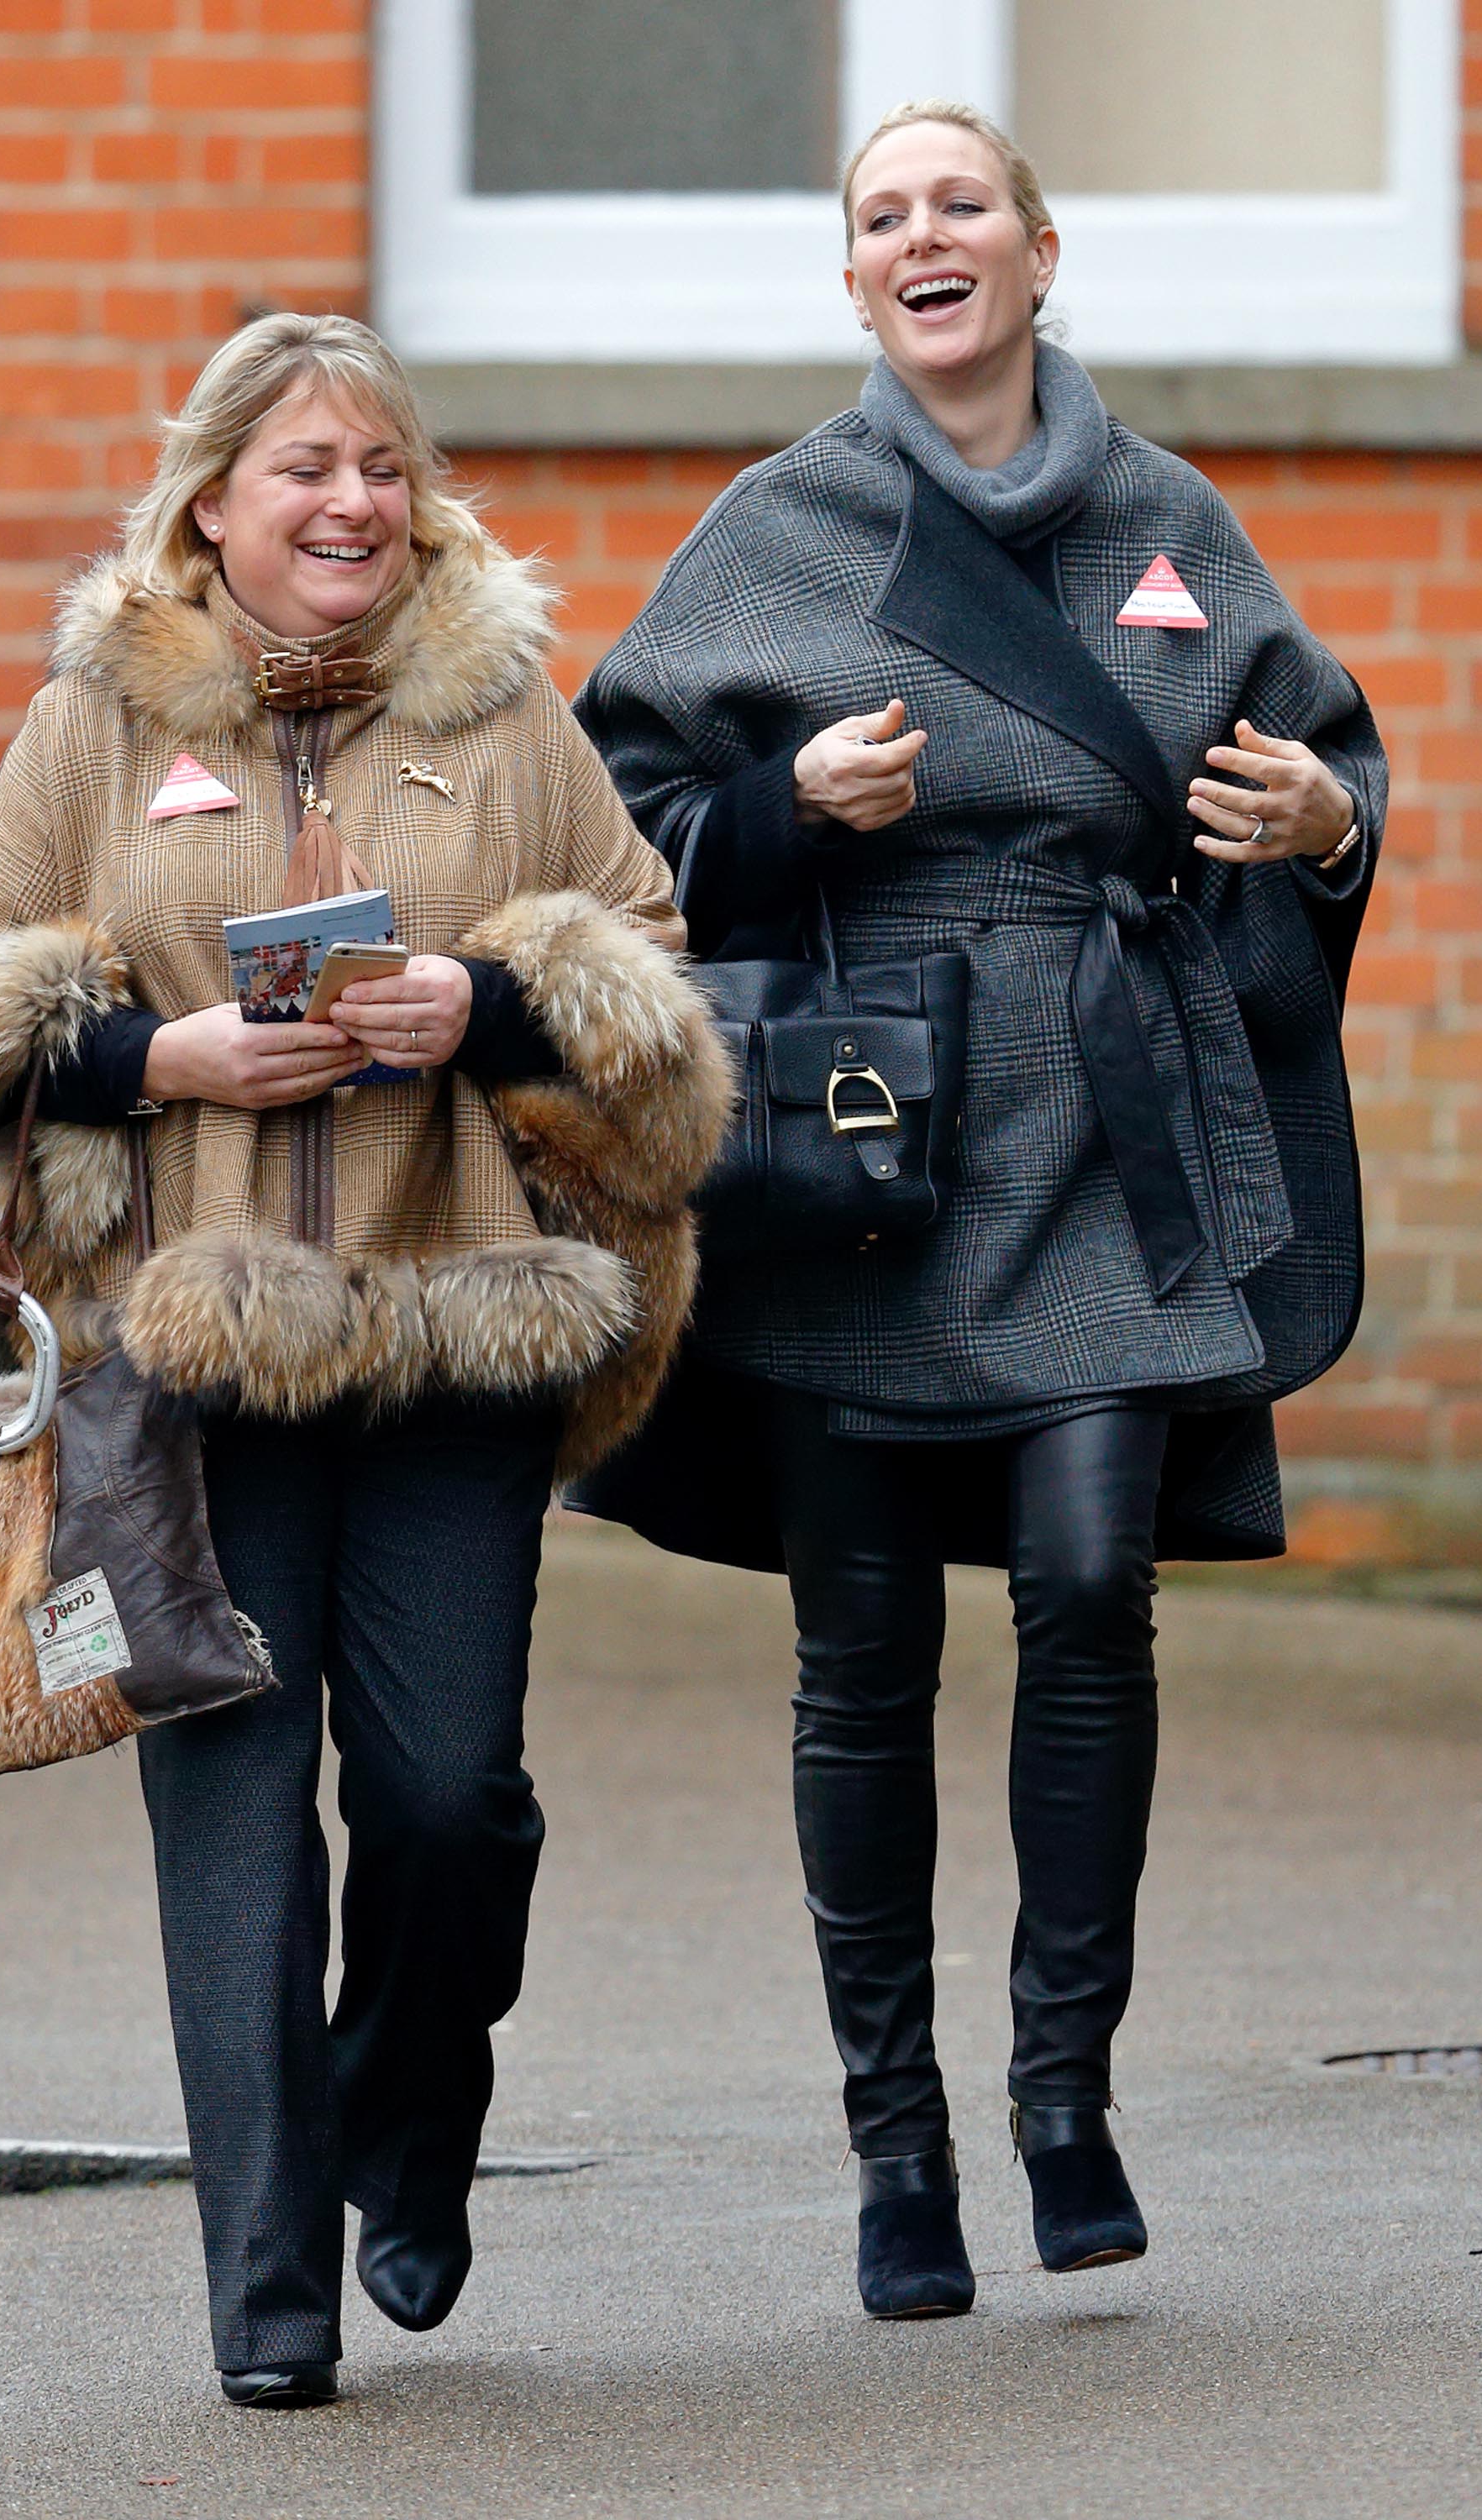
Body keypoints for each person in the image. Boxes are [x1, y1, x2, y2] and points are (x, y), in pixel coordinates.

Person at [0, 312, 728, 2404]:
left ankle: (409, 2129)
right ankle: (270, 2305)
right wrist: (159, 1050)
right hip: (190, 1350)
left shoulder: (512, 709)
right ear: (211, 506)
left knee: (446, 1806)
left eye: (381, 470)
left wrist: (490, 1011)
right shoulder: (93, 718)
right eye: (304, 470)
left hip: (464, 1324)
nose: (352, 504)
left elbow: (661, 1000)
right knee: (239, 1832)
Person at [575, 100, 1384, 2319]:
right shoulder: (782, 528)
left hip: (1111, 1124)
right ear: (852, 285)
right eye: (879, 218)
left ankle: (1060, 2092)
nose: (922, 239)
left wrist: (1321, 817)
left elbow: (1317, 759)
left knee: (1094, 1592)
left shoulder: (1165, 522)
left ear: (1037, 253)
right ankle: (894, 2147)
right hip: (864, 1145)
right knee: (862, 1662)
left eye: (960, 205)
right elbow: (619, 823)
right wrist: (779, 806)